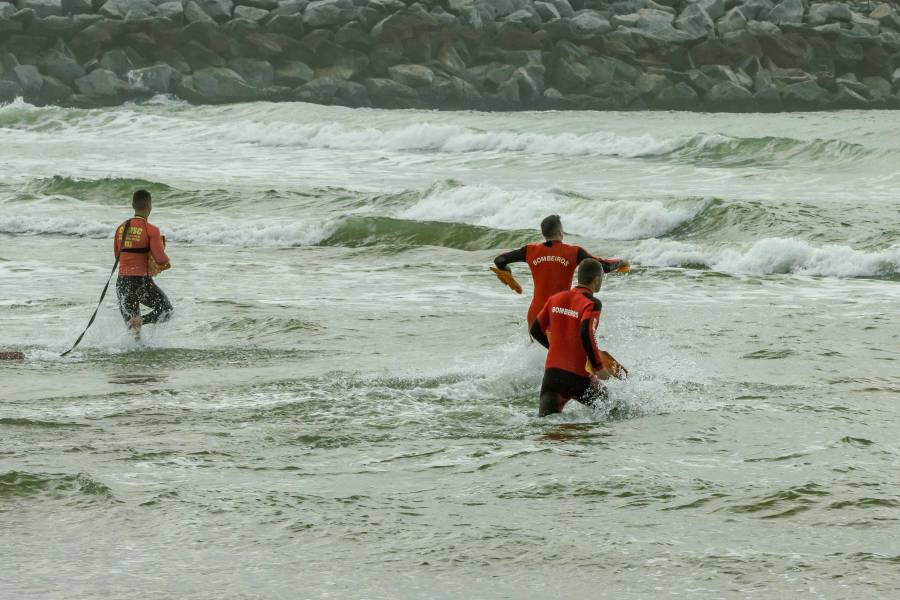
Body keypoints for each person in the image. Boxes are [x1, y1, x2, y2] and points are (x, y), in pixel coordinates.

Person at [491, 214, 629, 326]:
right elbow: (603, 266)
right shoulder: (574, 252)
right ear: (560, 232)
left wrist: (508, 274)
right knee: (562, 355)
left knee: (539, 356)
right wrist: (621, 262)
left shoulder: (530, 251)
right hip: (560, 313)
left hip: (535, 314)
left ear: (544, 233)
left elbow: (499, 261)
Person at [529, 259, 625, 417]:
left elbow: (535, 329)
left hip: (552, 377)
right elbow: (586, 332)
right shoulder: (592, 303)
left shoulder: (556, 298)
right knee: (615, 411)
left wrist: (556, 349)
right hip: (578, 378)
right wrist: (598, 367)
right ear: (597, 280)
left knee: (548, 429)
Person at [114, 190, 173, 336]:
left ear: (133, 205)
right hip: (140, 282)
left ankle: (134, 351)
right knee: (167, 310)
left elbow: (117, 256)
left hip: (122, 283)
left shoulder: (121, 228)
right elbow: (161, 259)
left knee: (134, 332)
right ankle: (141, 320)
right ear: (149, 205)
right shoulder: (151, 230)